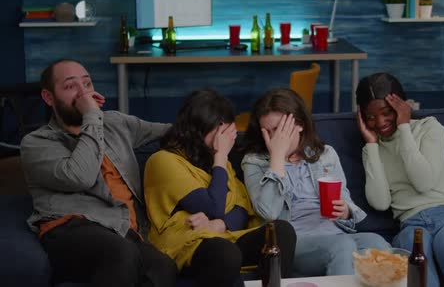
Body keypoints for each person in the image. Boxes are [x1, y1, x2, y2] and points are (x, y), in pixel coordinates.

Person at [19, 59, 177, 286]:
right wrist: (92, 116)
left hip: (123, 229)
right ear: (48, 98)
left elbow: (171, 131)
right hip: (70, 228)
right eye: (71, 86)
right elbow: (81, 176)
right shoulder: (36, 142)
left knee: (163, 267)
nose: (83, 94)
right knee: (121, 252)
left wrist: (220, 132)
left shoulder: (116, 123)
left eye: (87, 84)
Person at [143, 89, 296, 287]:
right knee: (224, 252)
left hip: (225, 236)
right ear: (201, 128)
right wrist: (221, 156)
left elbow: (241, 208)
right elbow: (213, 207)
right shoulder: (163, 161)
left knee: (281, 232)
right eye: (223, 130)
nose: (229, 137)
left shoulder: (216, 162)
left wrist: (219, 225)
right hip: (188, 243)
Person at [241, 88, 391, 277]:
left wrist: (345, 211)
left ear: (300, 124)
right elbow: (268, 213)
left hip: (335, 233)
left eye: (280, 130)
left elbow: (346, 202)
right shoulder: (254, 162)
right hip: (294, 243)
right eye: (268, 132)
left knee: (378, 244)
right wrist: (277, 158)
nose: (275, 138)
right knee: (342, 247)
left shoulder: (325, 155)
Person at [355, 72, 444, 287]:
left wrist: (404, 128)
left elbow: (423, 182)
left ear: (401, 106)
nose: (380, 122)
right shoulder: (373, 149)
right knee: (414, 250)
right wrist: (371, 146)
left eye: (386, 112)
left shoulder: (430, 128)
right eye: (370, 117)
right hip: (410, 223)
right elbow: (380, 202)